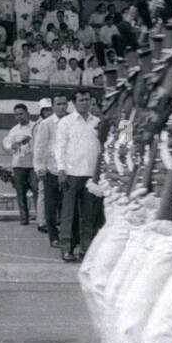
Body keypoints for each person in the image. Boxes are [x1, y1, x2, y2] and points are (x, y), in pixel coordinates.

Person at [55, 89, 101, 262]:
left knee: (88, 216)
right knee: (68, 214)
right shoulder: (66, 122)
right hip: (71, 174)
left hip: (91, 175)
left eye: (87, 100)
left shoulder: (97, 122)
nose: (85, 103)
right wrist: (61, 170)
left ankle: (85, 249)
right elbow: (60, 147)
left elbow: (100, 149)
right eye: (81, 100)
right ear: (73, 103)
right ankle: (66, 249)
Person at [32, 94, 67, 245]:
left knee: (67, 207)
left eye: (64, 104)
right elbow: (39, 148)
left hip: (68, 169)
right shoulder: (46, 124)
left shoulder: (71, 121)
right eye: (58, 104)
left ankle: (67, 236)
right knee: (51, 207)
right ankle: (54, 237)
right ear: (53, 106)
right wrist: (40, 167)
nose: (62, 107)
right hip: (51, 170)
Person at [2, 103, 36, 226]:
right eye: (16, 115)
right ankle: (24, 218)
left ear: (27, 113)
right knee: (21, 193)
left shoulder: (36, 126)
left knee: (37, 191)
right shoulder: (14, 130)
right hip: (19, 165)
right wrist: (12, 145)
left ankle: (40, 218)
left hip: (33, 164)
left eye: (21, 114)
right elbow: (6, 145)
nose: (19, 117)